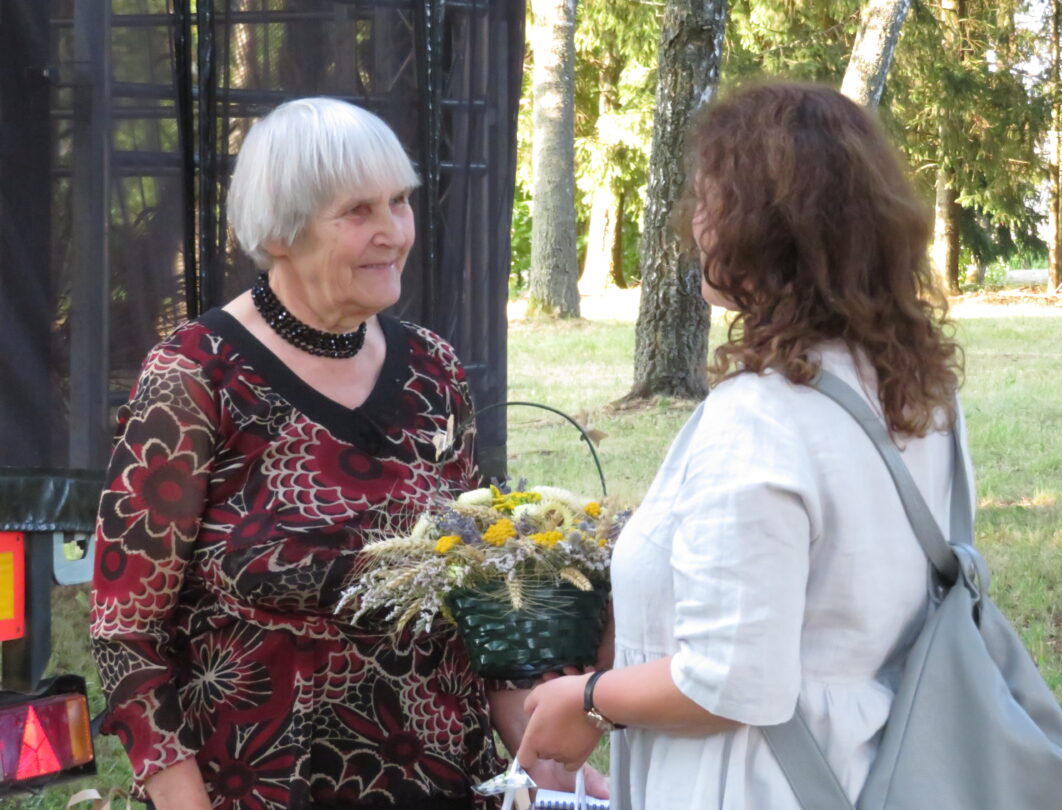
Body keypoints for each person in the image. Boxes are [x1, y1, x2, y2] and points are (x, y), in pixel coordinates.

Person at [89, 97, 576, 810]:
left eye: (399, 201)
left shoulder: (433, 369)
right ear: (280, 233)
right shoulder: (197, 374)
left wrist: (545, 766)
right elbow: (126, 628)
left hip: (441, 778)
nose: (393, 233)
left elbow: (477, 593)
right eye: (357, 211)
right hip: (263, 785)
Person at [517, 81, 969, 809]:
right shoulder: (915, 391)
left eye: (710, 200)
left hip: (760, 782)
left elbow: (729, 681)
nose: (695, 221)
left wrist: (589, 700)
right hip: (880, 765)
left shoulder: (761, 417)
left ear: (765, 230)